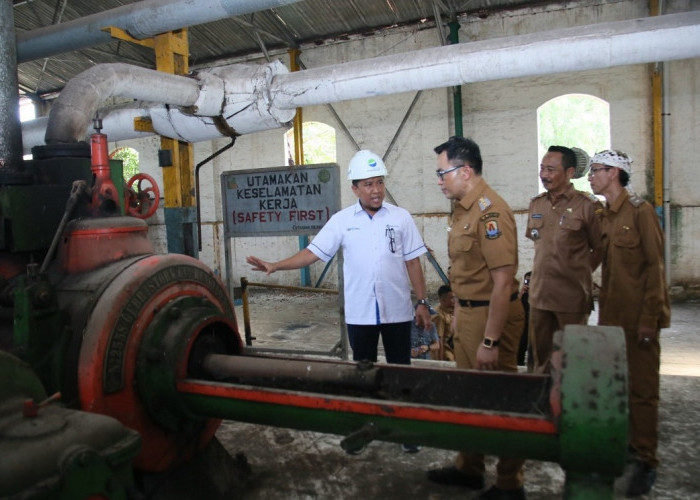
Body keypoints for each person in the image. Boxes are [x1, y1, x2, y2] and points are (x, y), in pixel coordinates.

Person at [246, 149, 432, 366]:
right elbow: (310, 253)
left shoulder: (401, 217)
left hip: (398, 310)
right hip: (360, 314)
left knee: (400, 368)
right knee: (364, 371)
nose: (376, 190)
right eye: (368, 184)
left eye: (380, 183)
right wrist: (275, 266)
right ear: (355, 189)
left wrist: (422, 302)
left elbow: (413, 262)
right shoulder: (341, 221)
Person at [427, 136, 526, 500]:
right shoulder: (462, 207)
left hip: (491, 318)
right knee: (469, 396)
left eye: (442, 173)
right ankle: (469, 468)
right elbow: (466, 270)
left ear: (465, 171)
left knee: (502, 400)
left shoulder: (490, 213)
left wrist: (490, 341)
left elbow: (502, 285)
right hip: (470, 315)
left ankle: (509, 483)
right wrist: (459, 314)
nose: (439, 180)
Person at [588, 149, 670, 498]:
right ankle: (626, 447)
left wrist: (651, 318)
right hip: (612, 317)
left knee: (643, 392)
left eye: (596, 170)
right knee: (618, 389)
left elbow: (655, 267)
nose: (590, 175)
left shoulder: (641, 212)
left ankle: (646, 459)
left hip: (639, 320)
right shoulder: (604, 215)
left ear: (615, 173)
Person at [525, 146, 603, 373]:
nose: (544, 175)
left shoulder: (587, 206)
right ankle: (542, 404)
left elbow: (599, 248)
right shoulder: (536, 204)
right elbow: (541, 245)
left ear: (569, 172)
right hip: (539, 297)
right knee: (540, 361)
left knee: (573, 361)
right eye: (542, 168)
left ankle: (570, 406)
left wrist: (578, 274)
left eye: (550, 169)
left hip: (572, 299)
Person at [431, 284, 456, 361]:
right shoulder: (439, 315)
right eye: (452, 298)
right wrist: (440, 362)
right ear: (442, 300)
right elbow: (439, 339)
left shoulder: (454, 310)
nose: (454, 300)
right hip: (446, 352)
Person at [517, 271, 531, 368]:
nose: (528, 284)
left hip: (533, 325)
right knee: (520, 348)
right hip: (522, 325)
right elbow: (514, 307)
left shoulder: (537, 295)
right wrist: (521, 293)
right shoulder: (521, 294)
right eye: (527, 281)